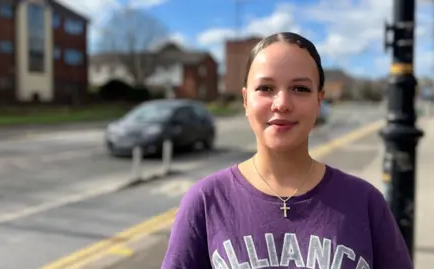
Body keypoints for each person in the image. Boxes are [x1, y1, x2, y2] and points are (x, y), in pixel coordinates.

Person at [160, 32, 413, 269]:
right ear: (246, 100)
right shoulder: (206, 201)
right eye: (266, 88)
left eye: (300, 89)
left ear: (319, 100)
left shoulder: (365, 202)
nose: (281, 104)